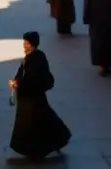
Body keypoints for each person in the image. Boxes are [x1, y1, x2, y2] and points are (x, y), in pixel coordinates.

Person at [8, 32, 71, 160]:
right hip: (32, 95)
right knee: (43, 117)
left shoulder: (34, 58)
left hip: (31, 95)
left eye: (26, 43)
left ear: (31, 44)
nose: (24, 45)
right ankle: (57, 139)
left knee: (33, 121)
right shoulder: (34, 56)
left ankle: (34, 148)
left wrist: (17, 83)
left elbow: (31, 77)